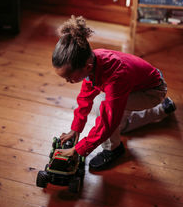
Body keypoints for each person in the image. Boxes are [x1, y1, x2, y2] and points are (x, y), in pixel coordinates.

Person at [52, 15, 176, 170]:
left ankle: (113, 150)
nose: (67, 81)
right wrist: (75, 129)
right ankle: (163, 109)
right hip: (137, 86)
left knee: (102, 106)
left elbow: (108, 123)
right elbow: (84, 98)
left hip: (152, 91)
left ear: (87, 67)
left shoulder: (116, 77)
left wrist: (78, 150)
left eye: (69, 77)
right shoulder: (92, 60)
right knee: (120, 126)